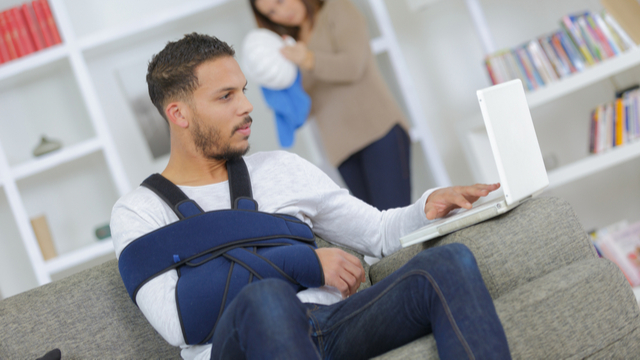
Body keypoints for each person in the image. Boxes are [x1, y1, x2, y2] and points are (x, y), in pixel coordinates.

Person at [111, 33, 511, 360]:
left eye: (244, 91)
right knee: (266, 300)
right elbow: (181, 323)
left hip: (331, 323)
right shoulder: (138, 211)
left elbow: (378, 232)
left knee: (447, 263)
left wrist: (427, 208)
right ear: (179, 114)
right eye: (226, 96)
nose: (248, 107)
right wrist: (304, 262)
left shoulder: (282, 169)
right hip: (238, 348)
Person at [249, 0, 413, 211]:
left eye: (280, 1)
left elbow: (353, 67)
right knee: (377, 230)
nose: (281, 13)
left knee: (396, 219)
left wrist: (308, 59)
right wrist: (279, 90)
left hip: (378, 132)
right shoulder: (291, 45)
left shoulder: (336, 9)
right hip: (341, 150)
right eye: (271, 12)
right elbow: (307, 107)